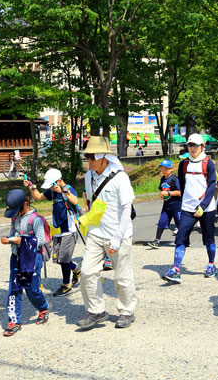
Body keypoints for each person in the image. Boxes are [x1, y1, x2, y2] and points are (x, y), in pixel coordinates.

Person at [77, 136, 137, 329]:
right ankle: (96, 310)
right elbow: (91, 203)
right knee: (87, 271)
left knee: (122, 275)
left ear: (104, 157)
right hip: (95, 232)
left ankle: (127, 311)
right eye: (87, 157)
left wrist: (118, 238)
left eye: (93, 157)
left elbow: (127, 209)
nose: (89, 161)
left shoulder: (120, 177)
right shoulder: (89, 177)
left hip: (118, 234)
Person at [162, 133, 218, 283]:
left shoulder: (209, 163)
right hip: (188, 207)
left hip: (206, 208)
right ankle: (176, 269)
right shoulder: (184, 164)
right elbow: (183, 183)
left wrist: (203, 205)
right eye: (190, 145)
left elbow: (212, 185)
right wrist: (185, 201)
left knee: (208, 237)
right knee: (180, 237)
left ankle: (211, 264)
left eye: (195, 145)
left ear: (202, 146)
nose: (192, 148)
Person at [0, 189, 50, 336]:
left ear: (26, 203)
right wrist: (8, 239)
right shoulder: (14, 218)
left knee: (32, 289)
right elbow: (12, 234)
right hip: (16, 257)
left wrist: (23, 241)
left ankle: (43, 307)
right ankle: (14, 321)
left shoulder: (36, 219)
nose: (14, 214)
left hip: (32, 258)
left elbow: (41, 240)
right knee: (14, 289)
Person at [25, 169, 82, 297]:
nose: (50, 187)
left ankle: (66, 285)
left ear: (59, 181)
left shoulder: (68, 188)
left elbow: (75, 201)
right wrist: (31, 186)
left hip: (70, 229)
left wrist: (63, 191)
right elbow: (38, 196)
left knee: (63, 258)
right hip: (59, 229)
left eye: (52, 184)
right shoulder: (52, 191)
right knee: (59, 258)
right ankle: (75, 268)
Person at [147, 159, 181, 249]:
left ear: (171, 169)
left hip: (176, 205)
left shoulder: (175, 179)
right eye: (162, 169)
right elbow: (161, 189)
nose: (164, 171)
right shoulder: (162, 179)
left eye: (166, 169)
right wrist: (162, 194)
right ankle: (157, 241)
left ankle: (183, 240)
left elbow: (180, 192)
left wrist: (169, 193)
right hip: (166, 205)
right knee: (161, 222)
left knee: (180, 224)